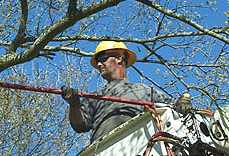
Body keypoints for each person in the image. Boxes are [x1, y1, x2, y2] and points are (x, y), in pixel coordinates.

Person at [61, 41, 191, 143]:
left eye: (102, 58)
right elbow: (80, 125)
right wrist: (74, 105)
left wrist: (181, 103)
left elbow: (172, 107)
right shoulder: (94, 97)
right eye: (98, 62)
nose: (99, 64)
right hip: (102, 154)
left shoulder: (145, 91)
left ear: (118, 58)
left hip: (140, 151)